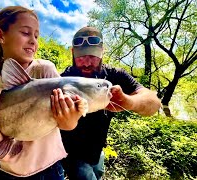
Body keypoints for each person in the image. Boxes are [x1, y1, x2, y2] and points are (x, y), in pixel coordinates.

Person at [0, 6, 83, 179]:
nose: (33, 41)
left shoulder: (44, 70)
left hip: (51, 171)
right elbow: (1, 152)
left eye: (36, 36)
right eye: (25, 33)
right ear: (0, 35)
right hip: (8, 174)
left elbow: (66, 125)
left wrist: (71, 119)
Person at [54, 26, 161, 180]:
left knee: (98, 175)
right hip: (72, 155)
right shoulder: (63, 80)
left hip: (97, 152)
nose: (86, 63)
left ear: (102, 51)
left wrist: (128, 101)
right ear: (72, 52)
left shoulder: (114, 76)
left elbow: (154, 103)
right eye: (80, 57)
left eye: (93, 56)